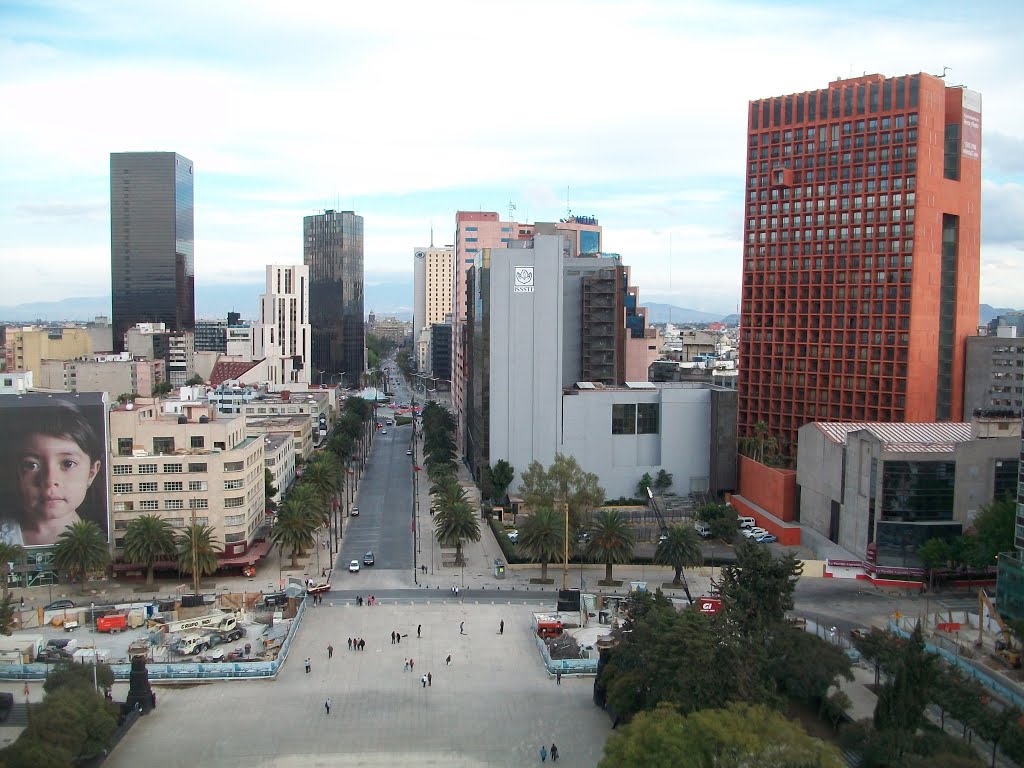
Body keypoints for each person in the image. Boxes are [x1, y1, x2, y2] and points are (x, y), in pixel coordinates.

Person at [1, 399, 105, 546]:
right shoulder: (4, 538)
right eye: (31, 465)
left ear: (92, 472)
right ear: (15, 472)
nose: (50, 480)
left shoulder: (99, 542)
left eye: (68, 463)